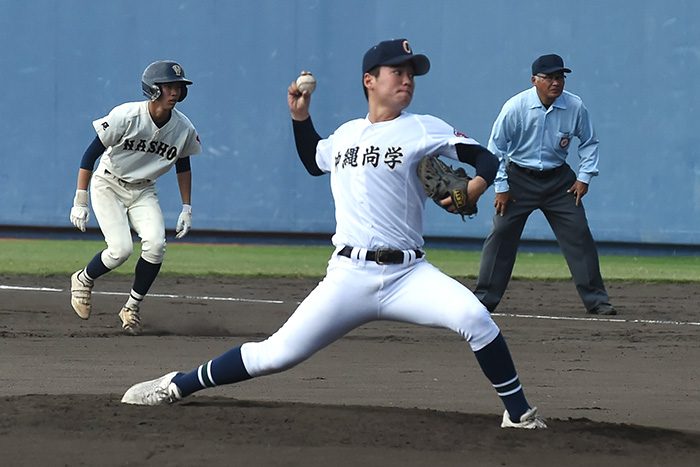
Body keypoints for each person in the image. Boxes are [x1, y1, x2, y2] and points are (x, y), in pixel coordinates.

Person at [121, 39, 546, 429]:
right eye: (397, 71)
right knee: (275, 354)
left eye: (411, 73)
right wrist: (300, 117)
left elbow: (484, 159)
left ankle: (519, 415)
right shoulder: (346, 136)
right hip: (348, 276)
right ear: (370, 80)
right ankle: (177, 384)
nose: (406, 80)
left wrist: (472, 189)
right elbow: (312, 157)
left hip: (409, 276)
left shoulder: (423, 128)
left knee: (474, 317)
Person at [474, 54, 616, 316]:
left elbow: (589, 142)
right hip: (517, 179)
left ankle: (597, 301)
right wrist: (501, 186)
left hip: (558, 181)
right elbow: (495, 149)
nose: (556, 82)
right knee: (501, 234)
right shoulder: (515, 107)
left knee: (579, 234)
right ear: (534, 80)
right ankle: (483, 300)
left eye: (560, 77)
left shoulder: (574, 106)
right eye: (549, 77)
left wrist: (584, 177)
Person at [69, 60, 202, 335]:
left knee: (155, 245)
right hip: (108, 183)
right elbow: (89, 155)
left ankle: (131, 307)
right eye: (168, 86)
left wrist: (186, 207)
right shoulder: (127, 115)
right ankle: (83, 278)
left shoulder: (183, 128)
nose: (174, 91)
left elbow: (183, 164)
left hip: (143, 190)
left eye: (178, 86)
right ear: (153, 89)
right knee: (120, 250)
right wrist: (80, 200)